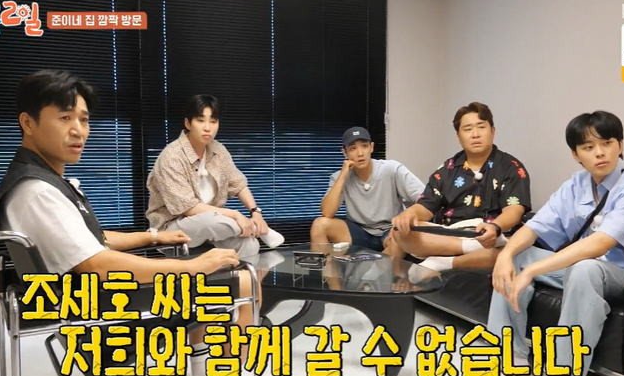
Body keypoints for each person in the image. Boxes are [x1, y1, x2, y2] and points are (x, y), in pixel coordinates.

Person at [0, 70, 257, 376]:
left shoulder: (39, 180)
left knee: (217, 277)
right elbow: (96, 264)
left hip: (82, 293)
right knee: (242, 280)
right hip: (100, 304)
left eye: (84, 119)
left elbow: (92, 240)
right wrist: (191, 267)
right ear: (28, 123)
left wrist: (153, 236)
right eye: (64, 118)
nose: (78, 130)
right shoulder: (37, 192)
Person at [487, 110, 624, 376]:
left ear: (620, 145)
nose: (600, 153)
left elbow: (600, 244)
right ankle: (510, 351)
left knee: (584, 268)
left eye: (607, 143)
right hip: (592, 267)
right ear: (576, 155)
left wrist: (535, 270)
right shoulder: (576, 185)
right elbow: (535, 227)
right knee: (520, 256)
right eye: (588, 147)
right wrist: (506, 255)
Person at [391, 102, 531, 272]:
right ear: (458, 136)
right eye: (468, 129)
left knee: (509, 252)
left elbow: (514, 211)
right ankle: (470, 248)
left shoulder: (510, 167)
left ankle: (445, 262)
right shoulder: (447, 169)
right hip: (451, 235)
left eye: (481, 127)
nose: (475, 134)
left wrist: (495, 227)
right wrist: (409, 214)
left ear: (493, 131)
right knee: (400, 231)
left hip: (492, 234)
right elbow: (425, 206)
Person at [146, 94, 284, 259]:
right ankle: (257, 230)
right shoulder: (172, 156)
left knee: (249, 244)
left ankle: (244, 274)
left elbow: (238, 184)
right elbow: (188, 208)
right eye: (200, 120)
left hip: (212, 221)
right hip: (172, 227)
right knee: (216, 221)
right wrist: (236, 215)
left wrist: (256, 213)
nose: (207, 128)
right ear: (188, 123)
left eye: (213, 121)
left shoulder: (218, 150)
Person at [310, 126, 424, 257]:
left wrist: (407, 216)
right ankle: (326, 271)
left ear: (371, 147)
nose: (360, 153)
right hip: (359, 231)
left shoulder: (391, 169)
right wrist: (343, 175)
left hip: (390, 230)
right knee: (319, 225)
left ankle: (372, 269)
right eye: (353, 148)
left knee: (402, 237)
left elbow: (425, 198)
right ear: (345, 152)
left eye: (364, 146)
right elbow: (327, 212)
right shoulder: (338, 177)